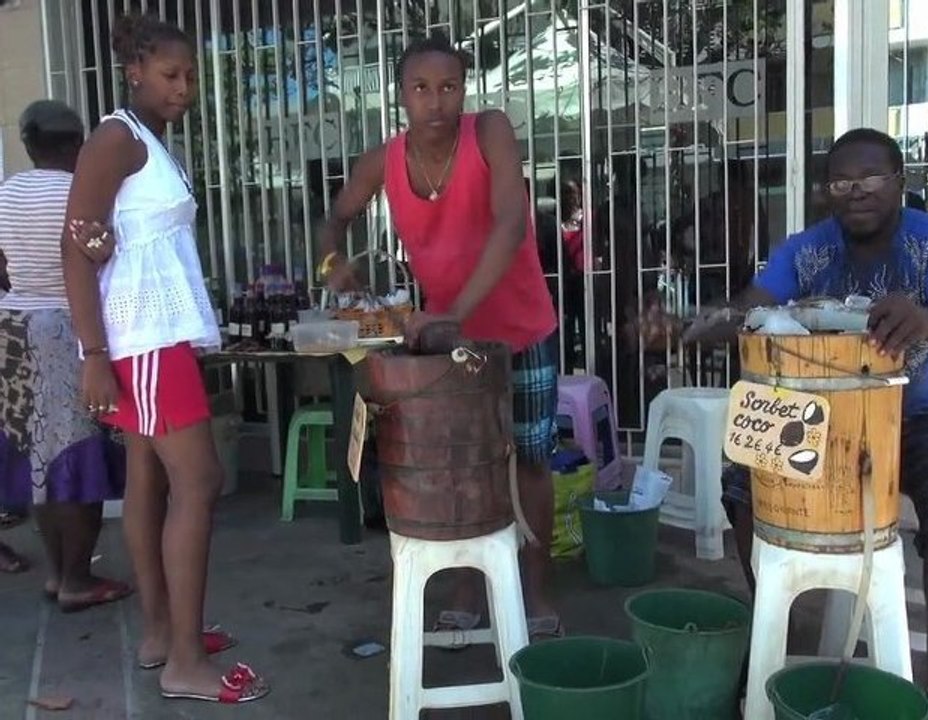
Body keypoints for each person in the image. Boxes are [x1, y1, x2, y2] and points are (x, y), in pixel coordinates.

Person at [684, 128, 928, 719]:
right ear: (825, 191)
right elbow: (748, 309)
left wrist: (925, 320)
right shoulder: (805, 250)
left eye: (871, 177)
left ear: (899, 182)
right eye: (841, 181)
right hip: (819, 416)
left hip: (917, 413)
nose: (856, 191)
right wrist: (693, 323)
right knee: (744, 480)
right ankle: (776, 630)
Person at [318, 35, 562, 639]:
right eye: (421, 88)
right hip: (446, 343)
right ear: (401, 96)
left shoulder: (490, 131)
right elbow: (335, 218)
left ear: (464, 89)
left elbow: (512, 224)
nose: (436, 101)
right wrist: (332, 264)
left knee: (530, 459)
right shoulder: (383, 161)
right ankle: (465, 584)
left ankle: (536, 588)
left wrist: (452, 311)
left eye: (449, 86)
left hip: (521, 329)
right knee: (457, 463)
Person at [61, 14, 267, 703]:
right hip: (141, 338)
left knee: (150, 477)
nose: (184, 88)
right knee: (200, 480)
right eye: (170, 75)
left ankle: (161, 634)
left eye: (190, 77)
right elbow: (73, 248)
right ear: (135, 74)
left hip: (158, 335)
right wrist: (94, 354)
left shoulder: (147, 140)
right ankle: (184, 661)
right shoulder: (116, 139)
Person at [0, 100, 130, 610]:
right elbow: (105, 260)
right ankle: (78, 579)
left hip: (13, 330)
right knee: (79, 461)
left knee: (41, 463)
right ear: (78, 144)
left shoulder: (7, 192)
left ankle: (58, 574)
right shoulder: (85, 192)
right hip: (68, 332)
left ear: (30, 144)